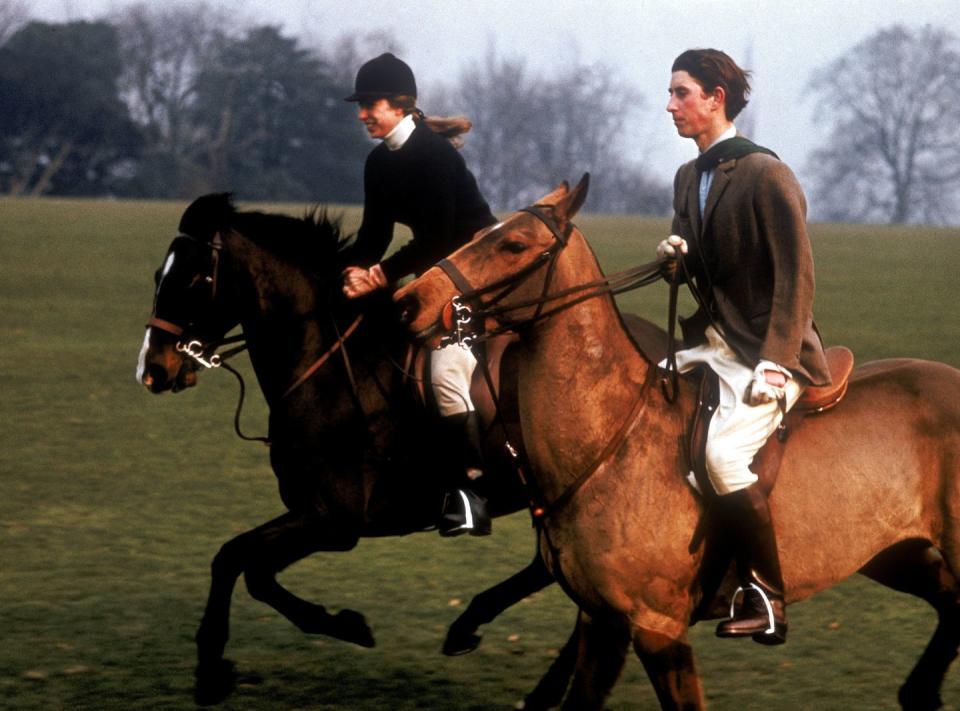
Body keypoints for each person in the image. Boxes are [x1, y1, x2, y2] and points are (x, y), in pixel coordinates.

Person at [659, 48, 831, 644]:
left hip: (768, 351)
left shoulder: (765, 173)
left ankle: (768, 597)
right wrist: (675, 260)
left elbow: (797, 276)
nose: (671, 104)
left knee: (723, 458)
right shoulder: (688, 177)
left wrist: (778, 365)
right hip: (714, 343)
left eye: (682, 93)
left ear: (716, 99)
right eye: (672, 93)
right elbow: (698, 258)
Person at [340, 52, 496, 536]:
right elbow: (373, 236)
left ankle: (470, 494)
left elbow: (439, 240)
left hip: (479, 271)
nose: (364, 113)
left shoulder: (435, 156)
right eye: (361, 105)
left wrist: (381, 275)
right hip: (433, 272)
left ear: (401, 104)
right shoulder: (379, 160)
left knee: (447, 369)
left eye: (372, 104)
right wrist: (349, 273)